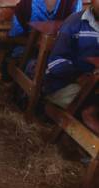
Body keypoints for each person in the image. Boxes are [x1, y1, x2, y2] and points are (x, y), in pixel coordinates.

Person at [43, 0, 99, 133]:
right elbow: (55, 62)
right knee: (91, 109)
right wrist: (79, 76)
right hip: (64, 84)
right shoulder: (74, 23)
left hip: (94, 85)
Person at [9, 0, 82, 38]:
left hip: (62, 53)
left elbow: (76, 32)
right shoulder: (26, 3)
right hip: (30, 52)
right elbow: (15, 37)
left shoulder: (73, 2)